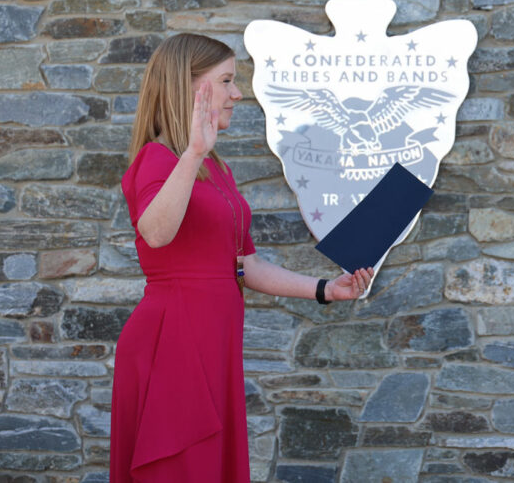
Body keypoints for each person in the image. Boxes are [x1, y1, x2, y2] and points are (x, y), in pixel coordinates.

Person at [110, 33, 374, 482]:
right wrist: (193, 152)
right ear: (192, 88)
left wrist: (326, 290)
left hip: (213, 342)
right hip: (172, 342)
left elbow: (243, 265)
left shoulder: (218, 168)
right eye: (227, 81)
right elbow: (155, 233)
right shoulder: (160, 159)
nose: (237, 93)